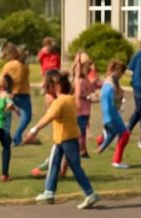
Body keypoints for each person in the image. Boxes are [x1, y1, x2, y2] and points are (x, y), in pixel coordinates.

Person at [23, 70, 99, 209]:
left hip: (65, 140)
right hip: (67, 139)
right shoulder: (70, 99)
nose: (47, 89)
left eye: (48, 86)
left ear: (57, 86)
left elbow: (47, 118)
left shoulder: (59, 102)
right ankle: (49, 192)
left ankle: (90, 193)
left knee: (75, 167)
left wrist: (34, 130)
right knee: (54, 163)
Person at [95, 60, 131, 168]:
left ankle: (101, 146)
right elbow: (107, 103)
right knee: (125, 134)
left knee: (111, 134)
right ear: (117, 71)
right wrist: (111, 116)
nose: (122, 76)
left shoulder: (111, 83)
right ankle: (117, 161)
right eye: (121, 73)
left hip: (110, 116)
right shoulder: (109, 85)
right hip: (111, 116)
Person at [0, 43, 32, 145]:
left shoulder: (9, 65)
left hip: (11, 93)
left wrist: (0, 91)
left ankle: (6, 137)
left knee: (7, 116)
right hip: (22, 93)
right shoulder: (23, 65)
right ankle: (17, 136)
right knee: (26, 117)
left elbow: (1, 80)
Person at [72, 51, 101, 158]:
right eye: (87, 65)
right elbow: (79, 94)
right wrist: (89, 95)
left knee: (82, 130)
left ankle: (82, 150)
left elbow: (97, 85)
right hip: (81, 108)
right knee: (81, 130)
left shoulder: (84, 78)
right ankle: (81, 150)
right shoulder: (80, 79)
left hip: (84, 108)